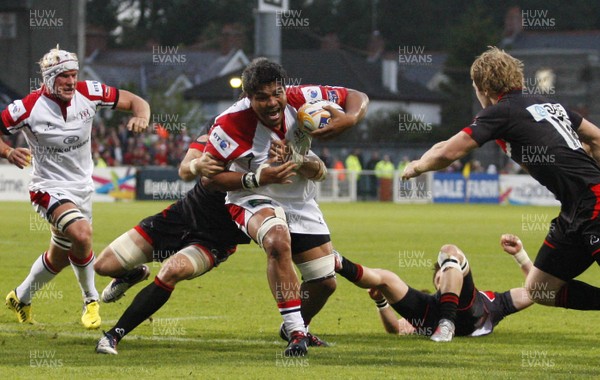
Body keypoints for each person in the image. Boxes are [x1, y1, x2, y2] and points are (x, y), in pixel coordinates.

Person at [402, 46, 600, 313]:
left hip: (593, 202)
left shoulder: (501, 112)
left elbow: (450, 151)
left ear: (483, 87)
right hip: (574, 210)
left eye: (474, 86)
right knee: (540, 288)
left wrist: (416, 168)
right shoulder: (548, 105)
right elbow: (596, 138)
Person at [94, 134, 331, 354]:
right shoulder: (220, 137)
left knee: (172, 270)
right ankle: (132, 275)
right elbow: (194, 172)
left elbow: (317, 172)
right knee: (103, 266)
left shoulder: (281, 149)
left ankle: (114, 334)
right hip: (180, 218)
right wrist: (199, 165)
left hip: (215, 241)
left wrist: (294, 160)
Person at [202, 57, 368, 356]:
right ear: (247, 98)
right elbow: (210, 178)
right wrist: (255, 177)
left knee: (324, 283)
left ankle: (296, 324)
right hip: (251, 196)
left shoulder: (301, 97)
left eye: (276, 93)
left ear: (284, 88)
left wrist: (351, 117)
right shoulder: (228, 124)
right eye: (261, 98)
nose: (272, 103)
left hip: (299, 199)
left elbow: (357, 96)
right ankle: (296, 334)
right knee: (277, 240)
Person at [1, 45, 150, 329]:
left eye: (74, 75)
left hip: (83, 188)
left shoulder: (90, 92)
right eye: (63, 76)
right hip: (47, 187)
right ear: (48, 79)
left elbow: (135, 101)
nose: (71, 81)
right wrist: (8, 152)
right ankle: (91, 300)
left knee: (57, 257)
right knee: (82, 234)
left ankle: (20, 298)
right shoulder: (28, 108)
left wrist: (141, 116)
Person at [336, 234, 534, 341]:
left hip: (469, 309)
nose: (444, 277)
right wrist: (380, 301)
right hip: (436, 316)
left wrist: (521, 256)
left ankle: (447, 324)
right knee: (385, 278)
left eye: (448, 272)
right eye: (440, 276)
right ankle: (339, 263)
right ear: (436, 284)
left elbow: (536, 291)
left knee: (450, 251)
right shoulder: (427, 308)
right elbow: (395, 329)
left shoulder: (490, 302)